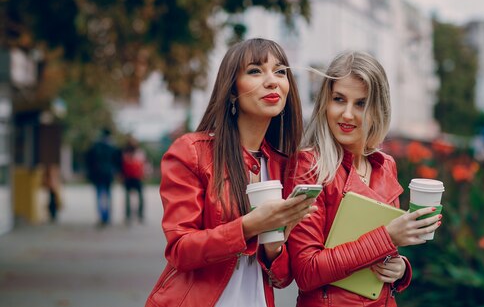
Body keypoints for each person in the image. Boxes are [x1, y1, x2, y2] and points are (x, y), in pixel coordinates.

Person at [145, 38, 316, 307]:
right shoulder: (192, 152)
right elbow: (180, 250)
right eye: (255, 71)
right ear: (233, 90)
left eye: (280, 71)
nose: (272, 81)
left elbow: (282, 278)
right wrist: (250, 226)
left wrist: (275, 246)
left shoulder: (286, 166)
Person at [287, 51, 442, 306]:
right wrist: (387, 238)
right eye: (339, 99)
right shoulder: (310, 165)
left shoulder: (384, 165)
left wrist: (400, 269)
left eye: (361, 103)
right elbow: (306, 271)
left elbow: (382, 255)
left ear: (377, 110)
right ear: (326, 101)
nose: (347, 114)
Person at [86, 128, 122, 227]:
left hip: (97, 174)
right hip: (108, 174)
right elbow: (117, 161)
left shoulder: (95, 146)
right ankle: (108, 216)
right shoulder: (112, 147)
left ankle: (102, 216)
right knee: (108, 195)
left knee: (99, 195)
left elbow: (89, 160)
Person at [121, 136, 146, 224]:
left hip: (133, 177)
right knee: (136, 197)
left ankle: (135, 215)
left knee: (136, 197)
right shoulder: (137, 152)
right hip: (133, 177)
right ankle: (136, 215)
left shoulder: (126, 152)